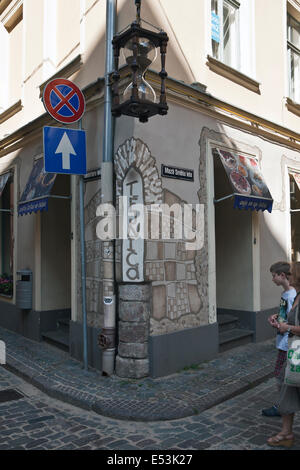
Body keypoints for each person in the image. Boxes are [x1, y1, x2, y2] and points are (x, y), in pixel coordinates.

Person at [267, 261, 300, 448]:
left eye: (291, 274)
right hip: (293, 351)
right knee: (286, 388)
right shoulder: (294, 296)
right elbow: (286, 315)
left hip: (295, 350)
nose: (288, 276)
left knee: (288, 386)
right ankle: (286, 433)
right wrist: (279, 321)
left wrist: (287, 327)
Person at [262, 261, 296, 417]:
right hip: (282, 341)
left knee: (283, 377)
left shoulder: (293, 294)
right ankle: (282, 406)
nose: (272, 279)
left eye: (273, 276)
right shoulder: (285, 294)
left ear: (282, 276)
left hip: (288, 344)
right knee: (281, 376)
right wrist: (276, 318)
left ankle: (281, 407)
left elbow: (293, 320)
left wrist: (282, 325)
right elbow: (285, 315)